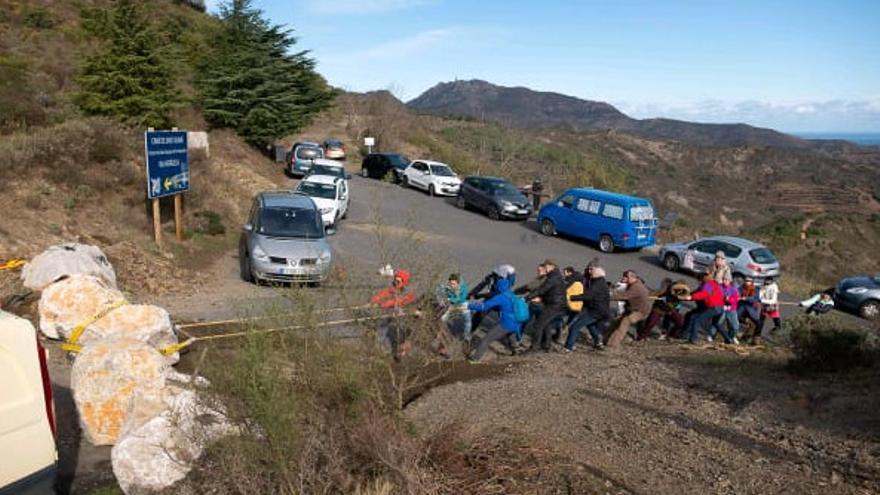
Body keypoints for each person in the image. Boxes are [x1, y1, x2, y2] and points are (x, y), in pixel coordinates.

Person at [467, 278, 521, 362]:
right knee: (510, 334)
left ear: (499, 287)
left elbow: (483, 307)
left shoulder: (501, 297)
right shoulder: (512, 295)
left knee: (486, 340)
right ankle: (516, 351)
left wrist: (469, 306)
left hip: (506, 323)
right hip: (517, 322)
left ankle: (475, 359)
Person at [370, 269, 417, 360]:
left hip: (403, 318)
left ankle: (399, 351)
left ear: (404, 282)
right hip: (389, 316)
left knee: (399, 333)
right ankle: (382, 351)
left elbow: (400, 301)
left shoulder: (409, 293)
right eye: (395, 280)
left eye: (398, 281)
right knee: (381, 327)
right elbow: (381, 295)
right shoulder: (391, 290)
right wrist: (374, 302)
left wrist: (384, 304)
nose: (395, 283)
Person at [564, 265, 611, 351]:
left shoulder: (598, 284)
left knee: (575, 326)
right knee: (590, 325)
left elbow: (588, 296)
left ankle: (568, 347)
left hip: (596, 311)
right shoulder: (600, 282)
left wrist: (571, 297)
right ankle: (598, 342)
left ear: (597, 273)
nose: (590, 272)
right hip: (601, 310)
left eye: (592, 271)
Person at [525, 259, 567, 353]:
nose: (545, 268)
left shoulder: (553, 277)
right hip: (556, 303)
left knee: (538, 325)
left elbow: (542, 289)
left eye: (546, 266)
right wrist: (541, 298)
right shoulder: (555, 275)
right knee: (546, 324)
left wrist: (527, 298)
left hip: (554, 305)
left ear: (552, 266)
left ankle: (534, 347)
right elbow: (552, 291)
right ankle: (547, 346)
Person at [606, 270, 652, 349]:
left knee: (625, 323)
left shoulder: (636, 287)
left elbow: (624, 296)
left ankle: (613, 344)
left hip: (640, 312)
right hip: (632, 309)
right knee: (616, 323)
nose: (623, 278)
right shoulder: (633, 284)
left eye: (626, 277)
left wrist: (607, 297)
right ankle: (606, 340)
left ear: (632, 277)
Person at [682, 271, 729, 344]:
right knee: (716, 323)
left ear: (701, 279)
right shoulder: (713, 283)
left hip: (714, 307)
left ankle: (693, 339)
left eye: (698, 280)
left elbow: (704, 294)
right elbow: (699, 291)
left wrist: (691, 297)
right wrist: (690, 295)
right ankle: (728, 339)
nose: (698, 282)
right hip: (720, 308)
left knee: (696, 319)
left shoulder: (707, 285)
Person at [440, 273, 472, 340]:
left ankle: (466, 336)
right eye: (450, 283)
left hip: (462, 305)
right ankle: (440, 331)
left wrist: (450, 299)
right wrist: (447, 293)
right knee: (443, 318)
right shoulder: (453, 285)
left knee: (467, 321)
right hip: (455, 305)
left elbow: (461, 298)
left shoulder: (463, 288)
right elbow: (448, 293)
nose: (451, 285)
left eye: (453, 283)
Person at [712, 274, 740, 344]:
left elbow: (736, 299)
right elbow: (713, 293)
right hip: (722, 308)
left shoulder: (734, 289)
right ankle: (711, 335)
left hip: (731, 309)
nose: (725, 281)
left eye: (727, 280)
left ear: (730, 281)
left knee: (735, 326)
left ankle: (731, 337)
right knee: (718, 322)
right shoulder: (719, 286)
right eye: (724, 279)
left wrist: (729, 299)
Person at [737, 277, 762, 343]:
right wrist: (739, 297)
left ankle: (756, 337)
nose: (747, 282)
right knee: (736, 319)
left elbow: (755, 299)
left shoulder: (756, 289)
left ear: (751, 282)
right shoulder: (741, 288)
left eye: (749, 281)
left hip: (751, 308)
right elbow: (737, 294)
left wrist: (746, 298)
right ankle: (738, 334)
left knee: (758, 323)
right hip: (742, 307)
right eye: (746, 281)